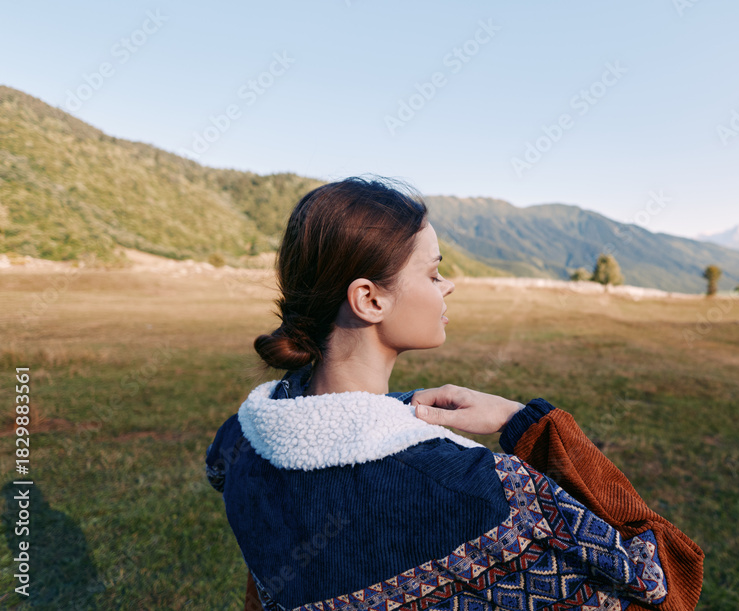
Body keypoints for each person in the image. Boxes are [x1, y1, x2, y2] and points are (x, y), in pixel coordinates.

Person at [205, 175, 704, 610]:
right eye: (433, 272)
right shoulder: (480, 491)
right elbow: (664, 585)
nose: (447, 287)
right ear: (369, 299)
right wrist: (531, 426)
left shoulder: (239, 443)